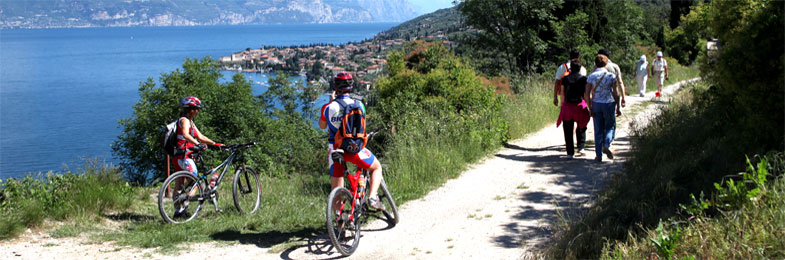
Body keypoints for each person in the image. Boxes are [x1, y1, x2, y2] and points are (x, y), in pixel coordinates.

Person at [319, 72, 385, 210]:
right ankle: (372, 197)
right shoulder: (360, 105)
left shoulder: (328, 108)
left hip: (336, 150)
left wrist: (331, 102)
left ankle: (339, 224)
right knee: (376, 167)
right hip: (355, 149)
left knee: (336, 187)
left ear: (335, 87)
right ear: (351, 87)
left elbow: (322, 126)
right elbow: (362, 125)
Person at [171, 96, 224, 217]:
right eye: (197, 109)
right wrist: (198, 144)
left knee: (179, 185)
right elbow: (185, 134)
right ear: (191, 109)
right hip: (185, 157)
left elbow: (200, 136)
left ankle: (177, 212)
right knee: (197, 184)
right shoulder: (184, 120)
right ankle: (185, 207)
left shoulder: (190, 122)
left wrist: (214, 143)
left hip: (178, 157)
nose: (198, 111)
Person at [584, 54, 618, 162]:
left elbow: (587, 93)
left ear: (596, 64)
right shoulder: (611, 76)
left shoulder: (591, 76)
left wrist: (589, 107)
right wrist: (618, 106)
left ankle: (598, 155)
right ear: (606, 63)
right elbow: (615, 93)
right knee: (610, 126)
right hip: (608, 103)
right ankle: (607, 144)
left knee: (598, 130)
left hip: (596, 103)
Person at [556, 61, 590, 158]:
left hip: (568, 106)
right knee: (582, 126)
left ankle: (570, 152)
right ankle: (581, 147)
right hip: (580, 106)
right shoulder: (584, 79)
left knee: (568, 129)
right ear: (580, 69)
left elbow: (562, 93)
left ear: (570, 68)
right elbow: (585, 94)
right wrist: (589, 106)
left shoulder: (565, 79)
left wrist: (562, 105)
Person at [597, 48, 627, 115]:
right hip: (611, 94)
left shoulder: (596, 66)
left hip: (599, 95)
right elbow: (620, 82)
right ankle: (617, 109)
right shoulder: (615, 66)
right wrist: (623, 98)